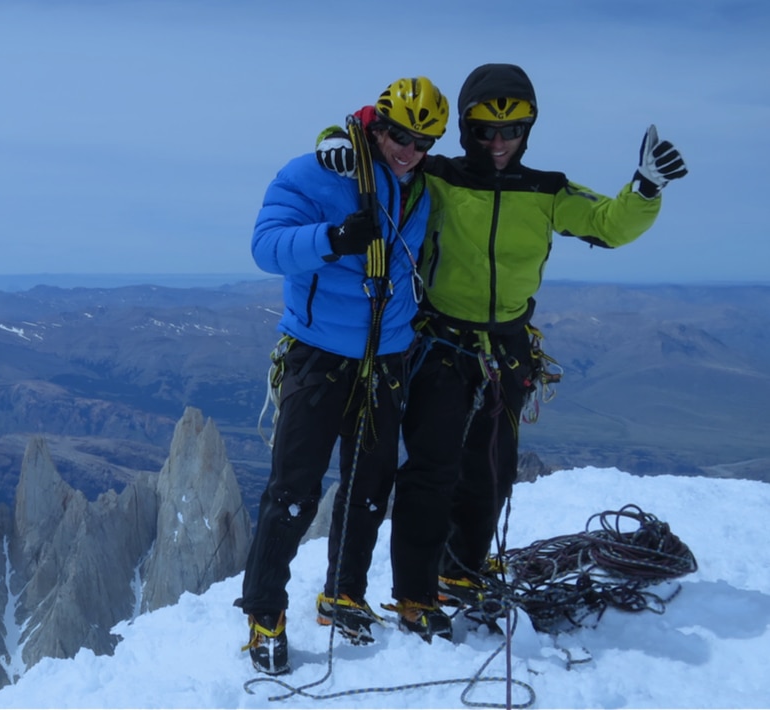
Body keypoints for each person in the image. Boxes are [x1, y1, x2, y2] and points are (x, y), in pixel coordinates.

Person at [315, 63, 688, 642]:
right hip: (441, 344)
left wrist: (644, 188)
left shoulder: (546, 190)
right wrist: (338, 139)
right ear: (465, 128)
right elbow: (382, 145)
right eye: (485, 130)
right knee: (433, 470)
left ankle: (460, 568)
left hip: (507, 349)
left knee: (492, 471)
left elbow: (607, 225)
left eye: (512, 130)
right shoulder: (437, 175)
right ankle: (415, 590)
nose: (498, 142)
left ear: (528, 131)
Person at [238, 77, 450, 675]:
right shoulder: (315, 172)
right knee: (294, 491)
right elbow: (266, 246)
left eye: (424, 141)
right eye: (400, 136)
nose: (409, 150)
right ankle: (263, 614)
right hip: (319, 352)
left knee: (367, 486)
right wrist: (331, 239)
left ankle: (342, 593)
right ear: (376, 124)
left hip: (387, 356)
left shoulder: (422, 186)